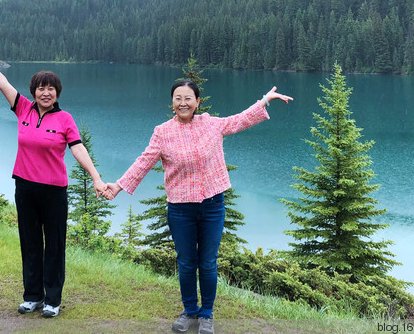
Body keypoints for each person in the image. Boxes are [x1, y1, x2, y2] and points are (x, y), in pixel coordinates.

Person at [104, 80, 293, 334]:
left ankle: (207, 314)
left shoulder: (211, 124)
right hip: (181, 209)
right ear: (172, 103)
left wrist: (265, 101)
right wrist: (118, 186)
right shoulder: (162, 132)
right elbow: (143, 162)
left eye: (188, 98)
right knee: (185, 262)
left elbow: (240, 120)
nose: (183, 103)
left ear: (197, 102)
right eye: (178, 98)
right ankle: (189, 311)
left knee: (208, 263)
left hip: (213, 205)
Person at [0, 36, 106, 318]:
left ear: (58, 92)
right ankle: (32, 296)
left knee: (54, 246)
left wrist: (95, 177)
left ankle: (52, 299)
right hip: (25, 187)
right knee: (30, 242)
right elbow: (3, 83)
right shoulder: (23, 108)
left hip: (54, 191)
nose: (46, 93)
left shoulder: (65, 119)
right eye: (41, 88)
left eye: (51, 89)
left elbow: (78, 148)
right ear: (33, 91)